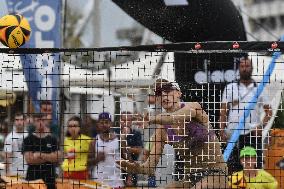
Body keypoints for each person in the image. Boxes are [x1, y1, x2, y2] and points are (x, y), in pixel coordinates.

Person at [118, 79, 228, 189]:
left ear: (178, 93)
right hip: (190, 178)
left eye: (167, 90)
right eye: (159, 93)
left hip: (216, 173)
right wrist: (136, 168)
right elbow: (149, 168)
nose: (164, 95)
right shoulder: (161, 130)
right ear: (157, 99)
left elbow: (173, 117)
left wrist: (151, 119)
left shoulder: (194, 107)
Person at [220, 56, 272, 174]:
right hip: (233, 134)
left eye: (247, 66)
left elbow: (269, 111)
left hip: (252, 133)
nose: (244, 69)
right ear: (238, 69)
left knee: (255, 168)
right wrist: (221, 130)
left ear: (252, 68)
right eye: (242, 66)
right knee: (232, 169)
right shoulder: (230, 88)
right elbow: (223, 111)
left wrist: (261, 126)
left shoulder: (260, 88)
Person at [22, 113, 62, 189]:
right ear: (34, 122)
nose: (40, 123)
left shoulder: (53, 139)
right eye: (38, 120)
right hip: (33, 179)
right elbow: (29, 160)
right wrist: (50, 158)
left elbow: (57, 158)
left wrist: (40, 155)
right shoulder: (28, 139)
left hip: (49, 179)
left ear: (46, 121)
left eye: (43, 120)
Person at [88, 112, 124, 188]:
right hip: (99, 182)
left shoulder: (119, 139)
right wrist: (97, 159)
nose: (104, 125)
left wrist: (129, 177)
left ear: (111, 124)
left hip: (116, 182)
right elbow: (88, 162)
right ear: (98, 125)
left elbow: (128, 160)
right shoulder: (94, 141)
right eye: (101, 123)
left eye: (106, 122)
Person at [61, 116, 93, 180]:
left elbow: (93, 156)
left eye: (75, 126)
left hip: (80, 173)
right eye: (70, 126)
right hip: (66, 172)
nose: (72, 128)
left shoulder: (87, 140)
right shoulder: (66, 140)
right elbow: (65, 156)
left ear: (80, 128)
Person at [120, 111, 143, 186]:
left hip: (132, 168)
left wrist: (126, 147)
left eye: (129, 120)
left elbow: (139, 150)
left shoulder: (136, 133)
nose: (126, 122)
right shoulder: (115, 133)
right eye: (124, 120)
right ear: (120, 121)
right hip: (117, 169)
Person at [4, 112, 28, 177]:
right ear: (14, 122)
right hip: (14, 174)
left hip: (28, 173)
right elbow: (7, 157)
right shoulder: (9, 137)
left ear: (25, 121)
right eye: (17, 120)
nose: (19, 122)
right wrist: (7, 173)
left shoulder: (29, 136)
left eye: (21, 120)